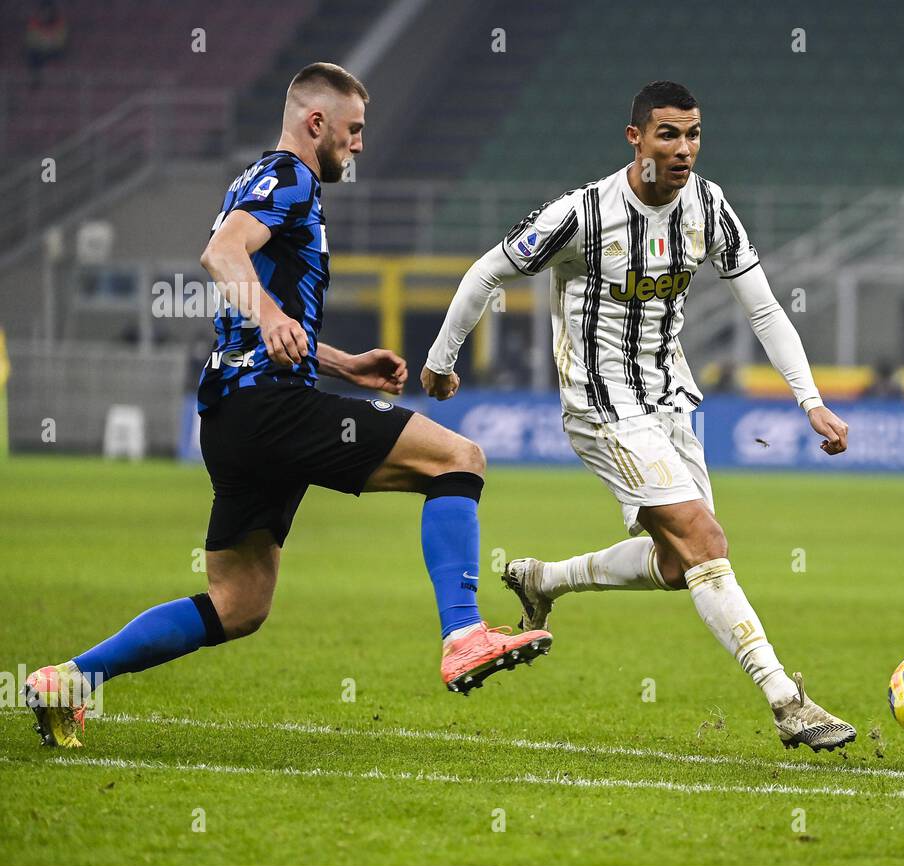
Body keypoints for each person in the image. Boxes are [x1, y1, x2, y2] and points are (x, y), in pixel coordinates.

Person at [25, 63, 549, 749]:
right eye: (353, 130)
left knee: (238, 604)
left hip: (230, 417)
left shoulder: (257, 182)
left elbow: (259, 317)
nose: (358, 144)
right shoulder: (291, 177)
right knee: (458, 458)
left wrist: (339, 362)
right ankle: (462, 633)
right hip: (267, 408)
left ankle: (68, 678)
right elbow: (220, 255)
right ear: (316, 123)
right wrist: (273, 316)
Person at [421, 81, 855, 752]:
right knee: (705, 540)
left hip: (670, 399)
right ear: (636, 139)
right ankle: (787, 702)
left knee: (681, 563)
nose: (685, 150)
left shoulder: (708, 205)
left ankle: (544, 579)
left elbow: (763, 309)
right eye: (669, 135)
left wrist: (811, 401)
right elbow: (486, 273)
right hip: (601, 405)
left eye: (694, 135)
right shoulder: (584, 213)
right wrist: (442, 360)